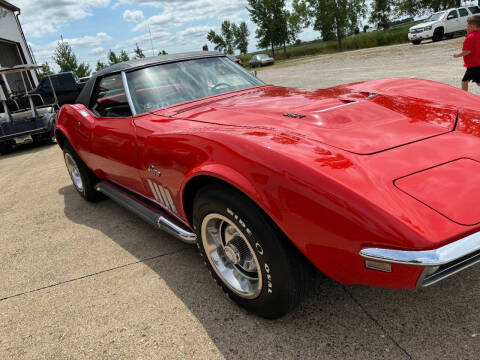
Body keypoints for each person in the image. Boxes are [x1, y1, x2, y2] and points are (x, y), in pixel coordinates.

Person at [453, 15, 480, 92]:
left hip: (473, 65)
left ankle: (465, 98)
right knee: (478, 82)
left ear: (473, 26)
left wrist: (457, 55)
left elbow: (467, 51)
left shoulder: (470, 37)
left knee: (464, 82)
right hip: (477, 63)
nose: (466, 27)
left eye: (467, 25)